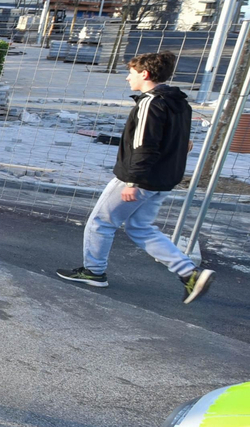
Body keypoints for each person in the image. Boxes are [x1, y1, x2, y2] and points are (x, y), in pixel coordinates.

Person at [57, 51, 213, 303]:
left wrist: (133, 181)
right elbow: (185, 142)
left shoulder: (150, 103)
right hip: (162, 178)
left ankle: (93, 272)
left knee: (101, 222)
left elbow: (144, 145)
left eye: (131, 73)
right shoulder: (179, 102)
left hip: (139, 178)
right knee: (141, 228)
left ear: (145, 74)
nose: (127, 78)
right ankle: (190, 273)